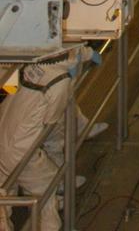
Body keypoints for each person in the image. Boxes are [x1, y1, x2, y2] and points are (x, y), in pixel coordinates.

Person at [0, 48, 91, 231]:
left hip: (3, 134)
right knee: (48, 187)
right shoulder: (60, 81)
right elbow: (52, 120)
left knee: (5, 192)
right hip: (20, 150)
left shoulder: (36, 60)